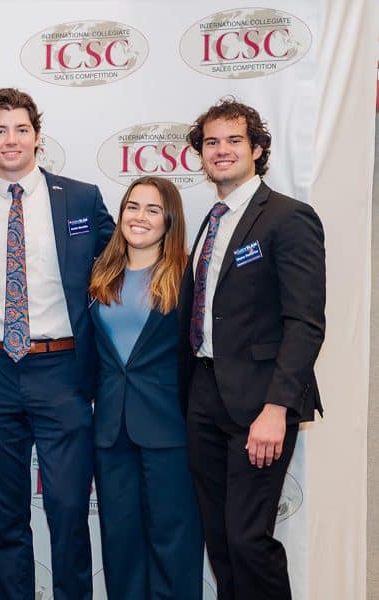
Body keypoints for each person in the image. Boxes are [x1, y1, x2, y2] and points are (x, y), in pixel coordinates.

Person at [0, 88, 114, 600]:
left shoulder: (81, 198)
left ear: (38, 138)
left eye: (21, 129)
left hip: (62, 370)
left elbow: (126, 263)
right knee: (6, 510)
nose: (11, 140)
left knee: (67, 507)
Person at [179, 98, 326, 600]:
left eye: (234, 140)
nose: (221, 151)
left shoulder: (289, 218)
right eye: (211, 142)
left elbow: (305, 323)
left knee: (247, 539)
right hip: (203, 395)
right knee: (220, 540)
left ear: (258, 149)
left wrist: (277, 408)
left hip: (260, 404)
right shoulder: (209, 220)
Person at [88, 176, 203, 600]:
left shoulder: (188, 275)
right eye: (132, 207)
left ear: (169, 219)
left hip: (169, 428)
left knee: (174, 541)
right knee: (120, 543)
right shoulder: (100, 273)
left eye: (153, 210)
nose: (139, 217)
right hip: (111, 432)